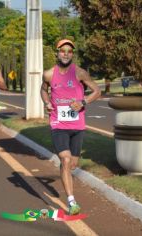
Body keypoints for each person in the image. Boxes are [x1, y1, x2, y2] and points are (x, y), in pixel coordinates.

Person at [40, 39, 101, 215]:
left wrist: (83, 101)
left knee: (72, 163)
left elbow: (97, 91)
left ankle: (64, 169)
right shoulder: (49, 74)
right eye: (62, 50)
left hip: (77, 125)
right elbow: (43, 89)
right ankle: (71, 201)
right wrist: (47, 102)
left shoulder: (80, 73)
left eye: (69, 51)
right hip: (58, 123)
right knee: (65, 160)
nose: (66, 54)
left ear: (72, 54)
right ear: (57, 53)